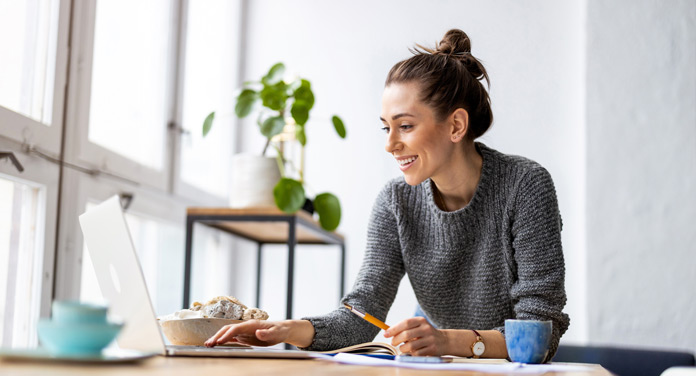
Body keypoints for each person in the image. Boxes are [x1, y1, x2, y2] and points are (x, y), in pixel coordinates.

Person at [205, 29, 570, 361]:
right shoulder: (396, 201)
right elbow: (362, 315)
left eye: (405, 126)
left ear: (456, 125)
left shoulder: (525, 186)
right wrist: (287, 330)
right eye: (386, 128)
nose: (390, 144)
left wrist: (446, 341)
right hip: (437, 367)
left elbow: (540, 333)